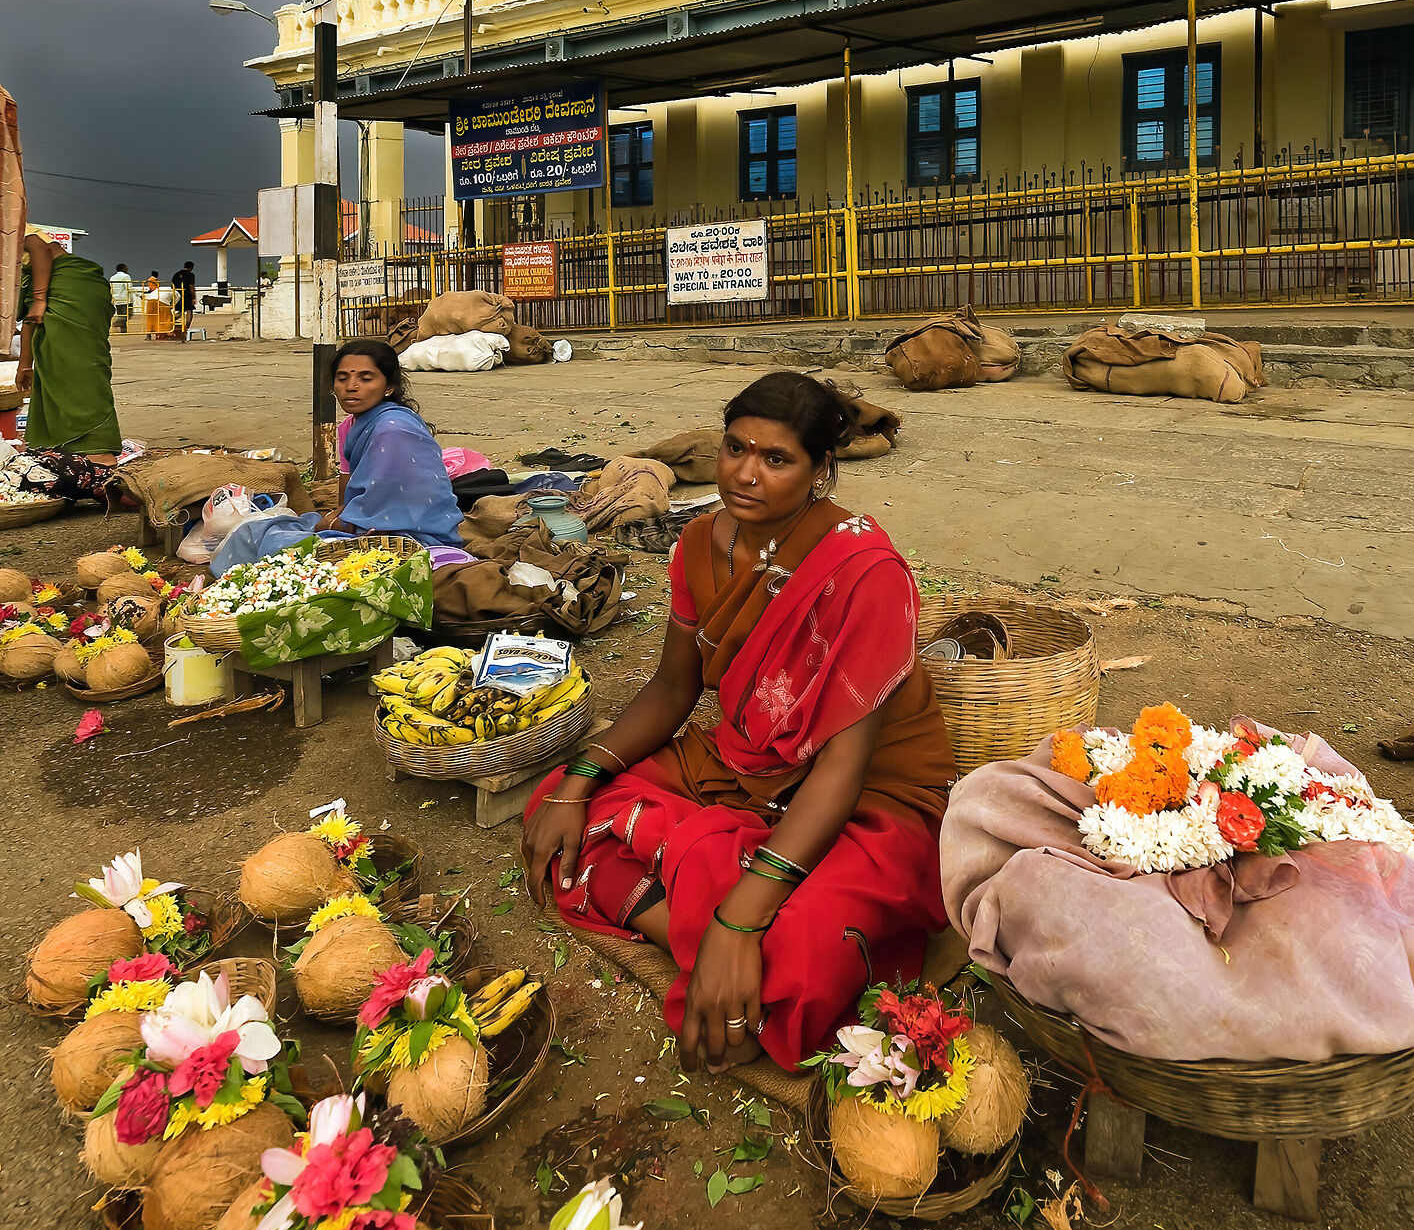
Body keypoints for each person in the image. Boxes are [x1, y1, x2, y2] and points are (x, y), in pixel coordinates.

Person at [521, 371, 955, 1074]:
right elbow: (672, 686)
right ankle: (717, 947)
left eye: (776, 459)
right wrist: (578, 778)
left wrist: (740, 916)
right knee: (557, 806)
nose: (745, 474)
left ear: (820, 470)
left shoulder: (865, 569)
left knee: (804, 960)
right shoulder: (698, 543)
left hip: (869, 795)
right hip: (743, 760)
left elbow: (842, 771)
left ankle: (723, 938)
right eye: (734, 448)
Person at [207, 338, 465, 571]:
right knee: (254, 530)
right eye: (343, 378)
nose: (351, 387)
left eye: (366, 378)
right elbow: (346, 495)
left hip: (409, 534)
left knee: (280, 545)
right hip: (362, 524)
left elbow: (385, 508)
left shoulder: (393, 429)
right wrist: (335, 519)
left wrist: (336, 524)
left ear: (389, 387)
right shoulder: (349, 426)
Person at [15, 230, 122, 455]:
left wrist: (39, 299)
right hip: (56, 292)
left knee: (78, 369)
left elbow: (40, 249)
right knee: (50, 367)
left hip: (72, 289)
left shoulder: (9, 220)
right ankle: (62, 445)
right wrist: (25, 366)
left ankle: (96, 448)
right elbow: (30, 319)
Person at [109, 263, 133, 333]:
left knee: (121, 314)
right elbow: (129, 288)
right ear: (123, 268)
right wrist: (138, 294)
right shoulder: (126, 276)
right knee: (128, 314)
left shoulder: (112, 277)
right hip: (125, 299)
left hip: (116, 299)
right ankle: (116, 323)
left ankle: (123, 330)